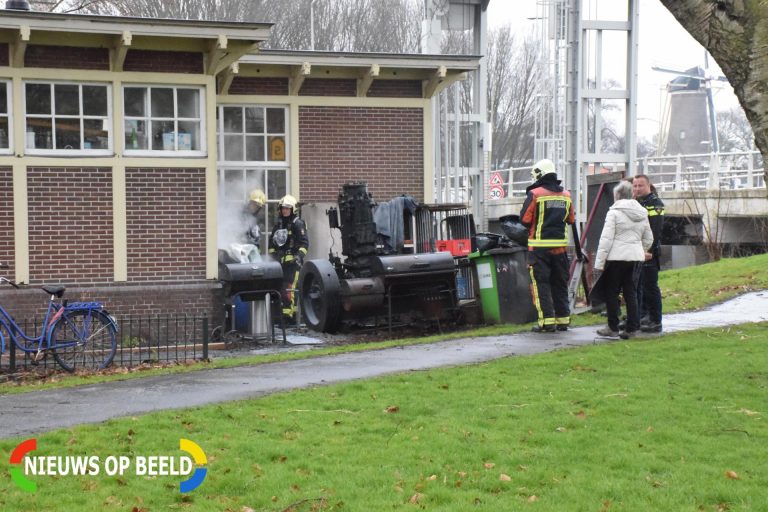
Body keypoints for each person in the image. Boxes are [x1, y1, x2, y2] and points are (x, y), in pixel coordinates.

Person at [592, 180, 653, 339]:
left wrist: (599, 263)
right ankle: (632, 328)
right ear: (631, 194)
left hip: (616, 259)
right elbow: (649, 238)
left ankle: (612, 326)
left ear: (617, 195)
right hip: (635, 259)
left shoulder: (614, 212)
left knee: (611, 292)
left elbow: (606, 240)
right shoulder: (642, 213)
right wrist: (641, 250)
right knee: (630, 292)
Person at [520, 159, 575, 333]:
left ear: (538, 174)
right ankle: (563, 320)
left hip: (538, 250)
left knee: (541, 285)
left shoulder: (535, 194)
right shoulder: (566, 195)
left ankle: (547, 322)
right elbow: (571, 219)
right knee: (560, 284)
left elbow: (525, 220)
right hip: (560, 249)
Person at [269, 194, 309, 322]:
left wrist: (298, 256)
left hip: (293, 263)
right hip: (279, 264)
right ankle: (284, 316)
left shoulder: (297, 224)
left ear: (292, 209)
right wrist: (273, 256)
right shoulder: (278, 226)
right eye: (283, 208)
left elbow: (304, 243)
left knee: (289, 288)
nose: (285, 210)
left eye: (287, 208)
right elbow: (272, 245)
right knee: (279, 289)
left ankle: (289, 318)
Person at [632, 174, 665, 333]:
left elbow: (655, 230)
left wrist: (649, 250)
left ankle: (655, 319)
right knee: (640, 286)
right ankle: (643, 316)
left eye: (640, 186)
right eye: (635, 186)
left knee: (651, 286)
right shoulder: (637, 203)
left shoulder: (655, 204)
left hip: (649, 252)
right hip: (637, 251)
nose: (637, 189)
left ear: (649, 186)